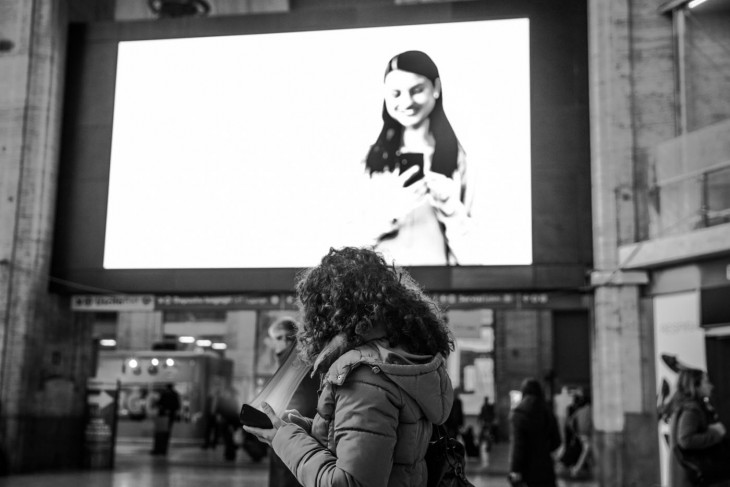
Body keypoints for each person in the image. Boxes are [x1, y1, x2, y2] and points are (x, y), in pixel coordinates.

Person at [243, 246, 454, 486]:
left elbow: (349, 481)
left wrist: (284, 439)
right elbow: (373, 442)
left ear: (331, 310)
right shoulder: (398, 359)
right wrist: (303, 429)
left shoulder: (364, 375)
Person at [363, 50, 474, 266]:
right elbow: (345, 246)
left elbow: (475, 258)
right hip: (379, 292)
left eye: (417, 90)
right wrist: (389, 210)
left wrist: (450, 208)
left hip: (439, 290)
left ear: (436, 88)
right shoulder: (368, 159)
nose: (406, 102)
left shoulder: (460, 160)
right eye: (396, 93)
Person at [266, 317, 319, 487]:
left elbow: (298, 398)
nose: (282, 342)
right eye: (279, 338)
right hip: (297, 430)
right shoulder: (297, 357)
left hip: (290, 429)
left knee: (287, 477)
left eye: (286, 337)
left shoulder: (294, 360)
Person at [668, 368, 728, 487]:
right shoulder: (692, 410)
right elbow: (686, 440)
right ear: (695, 385)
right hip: (693, 475)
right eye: (706, 382)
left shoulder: (685, 406)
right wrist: (716, 433)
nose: (710, 386)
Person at [508, 378, 561, 487]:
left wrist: (515, 469)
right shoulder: (547, 411)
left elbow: (518, 446)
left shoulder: (519, 414)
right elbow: (557, 441)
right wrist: (543, 449)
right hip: (545, 467)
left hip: (526, 470)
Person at [566, 388, 593, 479]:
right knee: (586, 451)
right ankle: (576, 469)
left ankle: (581, 469)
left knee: (586, 452)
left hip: (581, 434)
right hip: (587, 434)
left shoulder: (579, 411)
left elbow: (570, 422)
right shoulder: (591, 410)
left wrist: (576, 433)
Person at [151, 383, 181, 455]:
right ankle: (164, 450)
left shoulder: (164, 394)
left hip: (162, 416)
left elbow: (159, 403)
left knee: (160, 433)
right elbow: (177, 406)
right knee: (167, 434)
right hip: (170, 416)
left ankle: (158, 449)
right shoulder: (175, 394)